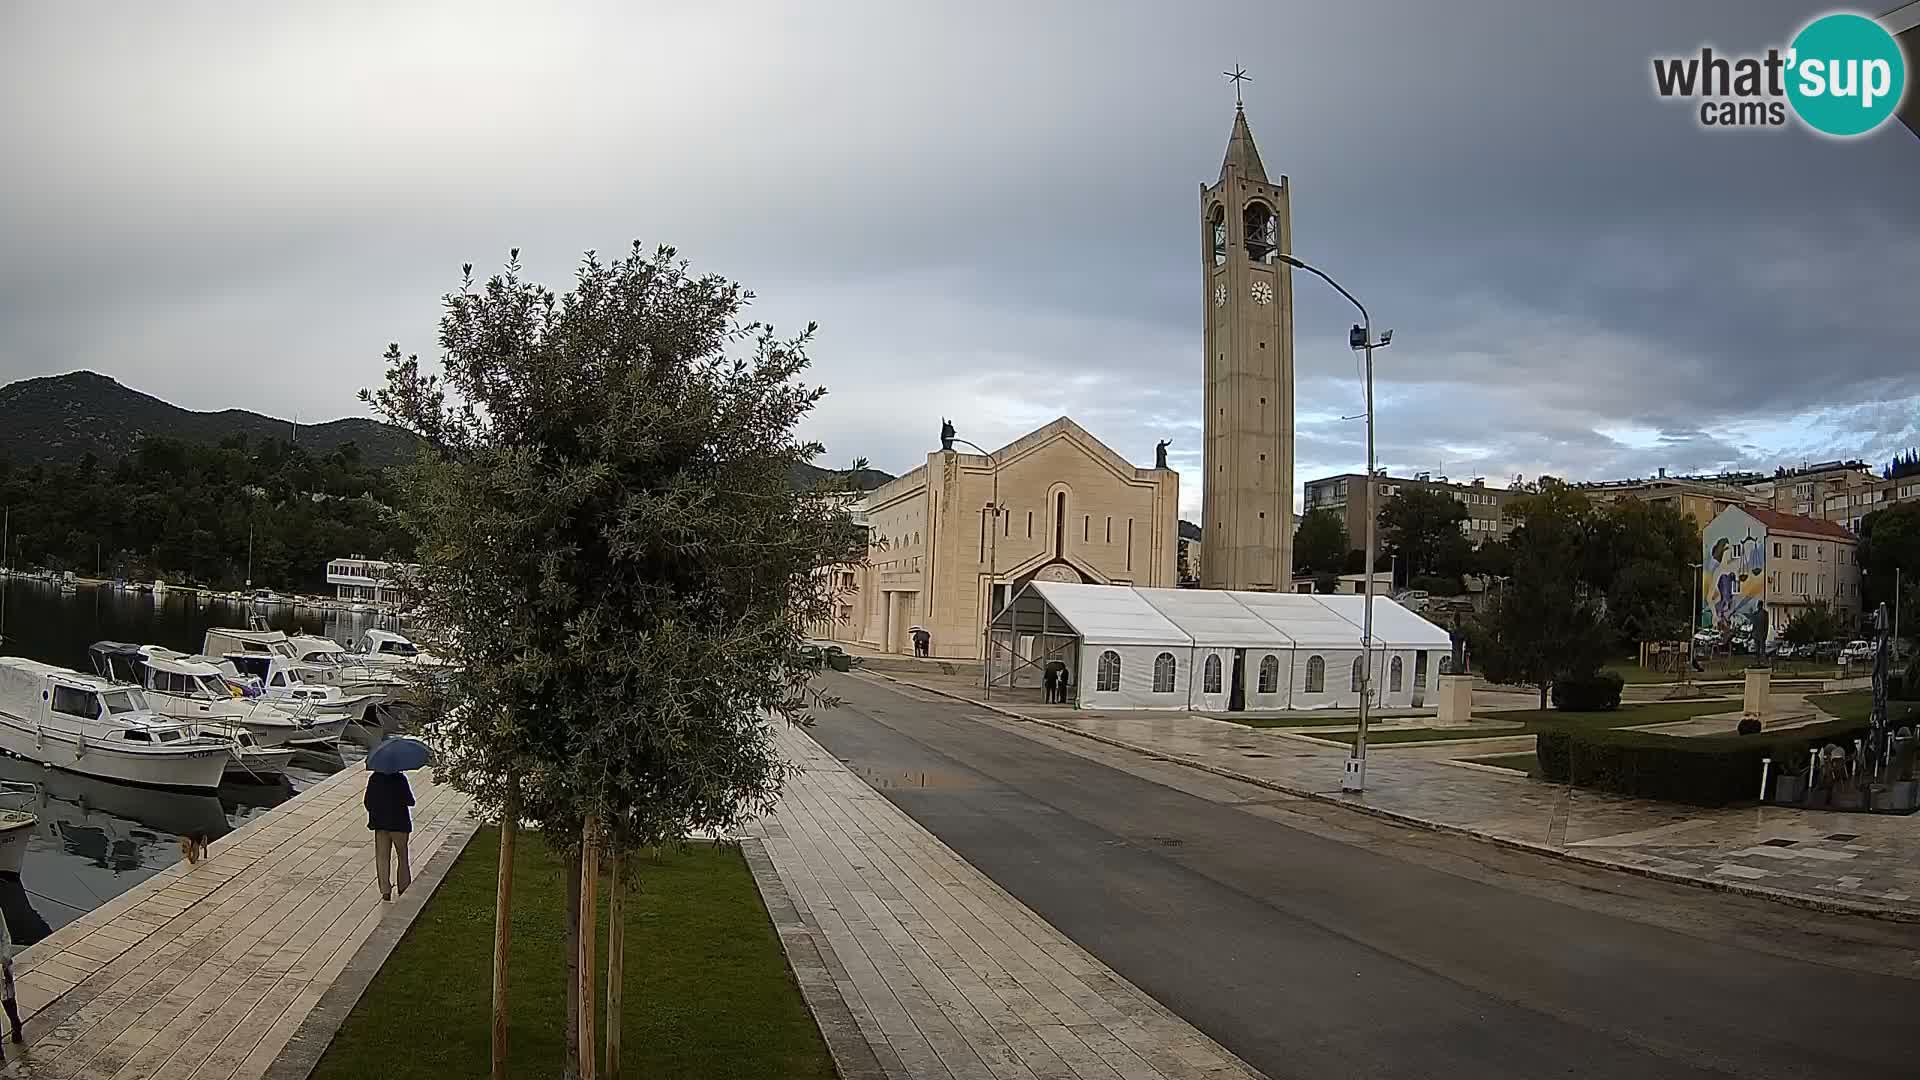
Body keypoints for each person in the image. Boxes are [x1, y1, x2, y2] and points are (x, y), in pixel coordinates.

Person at [365, 770, 415, 901]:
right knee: (402, 857)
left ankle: (385, 891)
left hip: (380, 824)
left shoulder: (374, 778)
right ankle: (403, 887)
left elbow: (367, 803)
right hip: (399, 823)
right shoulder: (400, 779)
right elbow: (410, 801)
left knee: (382, 858)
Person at [0, 909, 22, 1056]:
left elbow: (4, 936)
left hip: (0, 964)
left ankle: (15, 1024)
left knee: (8, 999)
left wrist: (4, 959)